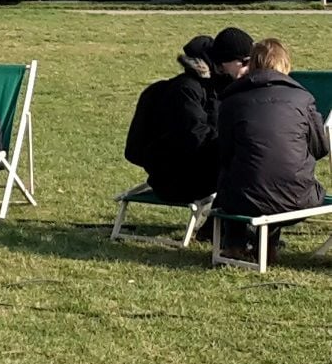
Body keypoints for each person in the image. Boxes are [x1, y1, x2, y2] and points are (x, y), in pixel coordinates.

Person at [215, 39, 329, 256]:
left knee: (237, 174)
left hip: (242, 200)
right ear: (285, 64)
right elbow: (320, 147)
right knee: (276, 173)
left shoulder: (231, 100)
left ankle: (234, 244)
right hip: (297, 199)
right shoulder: (303, 98)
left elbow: (224, 152)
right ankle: (268, 247)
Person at [124, 35, 219, 204]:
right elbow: (200, 139)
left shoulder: (167, 89)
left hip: (163, 176)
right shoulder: (189, 92)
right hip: (180, 182)